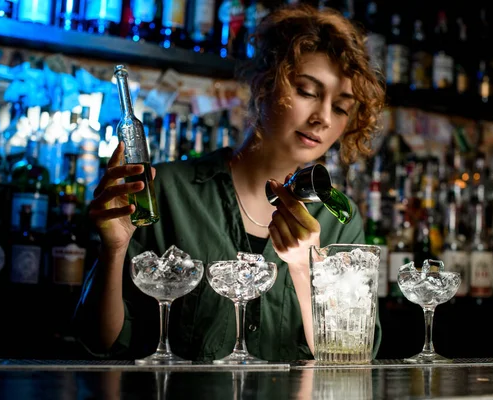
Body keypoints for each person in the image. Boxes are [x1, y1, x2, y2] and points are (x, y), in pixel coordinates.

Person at [73, 3, 385, 362]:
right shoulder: (166, 191)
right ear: (265, 84)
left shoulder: (340, 220)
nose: (323, 118)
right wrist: (112, 251)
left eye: (342, 107)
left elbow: (351, 358)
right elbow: (102, 341)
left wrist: (304, 270)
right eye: (307, 91)